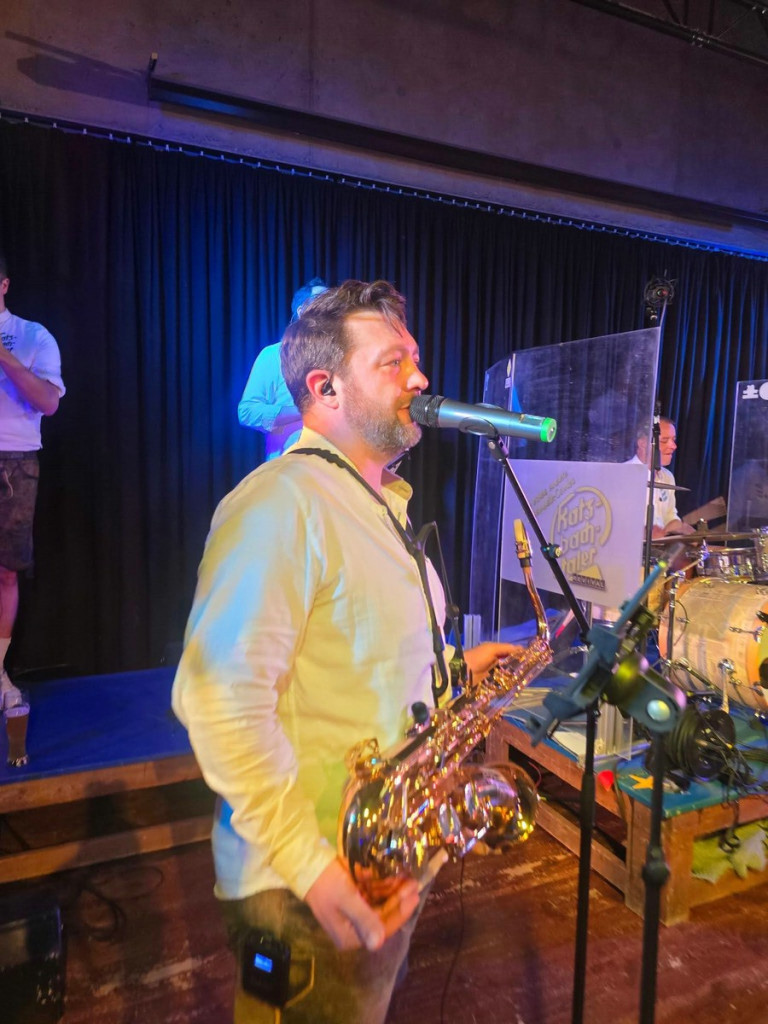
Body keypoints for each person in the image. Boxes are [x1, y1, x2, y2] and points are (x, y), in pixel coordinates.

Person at [172, 279, 516, 1023]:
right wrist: (313, 868)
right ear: (324, 388)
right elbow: (218, 699)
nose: (420, 379)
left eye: (415, 359)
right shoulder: (280, 503)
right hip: (305, 888)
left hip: (379, 859)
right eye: (394, 362)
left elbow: (366, 659)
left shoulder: (378, 504)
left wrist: (458, 672)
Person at [0, 253, 65, 707]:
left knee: (6, 572)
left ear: (4, 285)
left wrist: (4, 356)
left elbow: (48, 401)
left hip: (15, 461)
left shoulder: (32, 335)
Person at [238, 278, 328, 459]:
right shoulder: (274, 355)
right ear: (302, 311)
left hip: (335, 469)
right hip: (290, 467)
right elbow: (247, 412)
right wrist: (303, 410)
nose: (331, 308)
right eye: (323, 301)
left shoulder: (342, 357)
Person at [628, 417, 695, 538]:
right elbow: (612, 524)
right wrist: (644, 533)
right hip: (631, 548)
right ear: (643, 443)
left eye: (673, 440)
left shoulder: (667, 477)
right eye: (664, 441)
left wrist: (683, 529)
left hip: (659, 547)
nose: (673, 446)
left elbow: (670, 517)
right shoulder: (623, 476)